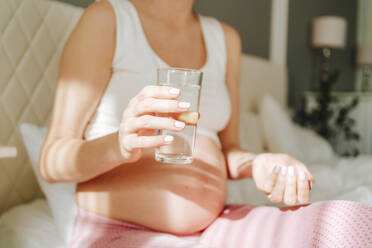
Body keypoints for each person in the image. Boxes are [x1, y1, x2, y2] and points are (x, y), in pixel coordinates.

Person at [39, 0, 372, 247]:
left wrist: (259, 162)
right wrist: (120, 143)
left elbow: (229, 150)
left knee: (352, 226)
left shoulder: (224, 39)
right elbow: (52, 160)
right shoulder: (109, 18)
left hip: (213, 228)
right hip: (121, 231)